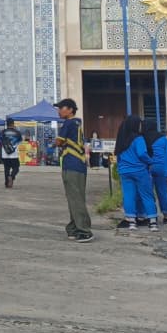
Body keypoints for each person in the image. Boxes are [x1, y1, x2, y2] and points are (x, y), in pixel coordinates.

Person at [56, 98, 93, 243]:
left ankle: (84, 230)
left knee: (75, 199)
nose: (59, 111)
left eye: (61, 108)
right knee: (76, 197)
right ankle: (74, 228)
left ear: (70, 110)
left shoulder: (69, 123)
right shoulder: (77, 123)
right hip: (79, 165)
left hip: (71, 165)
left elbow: (58, 141)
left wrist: (60, 142)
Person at [114, 116, 158, 232]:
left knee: (129, 196)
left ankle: (132, 222)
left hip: (125, 172)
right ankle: (152, 222)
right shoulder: (138, 139)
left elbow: (118, 157)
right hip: (139, 171)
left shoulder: (121, 140)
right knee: (147, 195)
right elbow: (142, 154)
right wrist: (150, 161)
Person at [143, 122, 167, 225]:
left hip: (148, 167)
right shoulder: (163, 139)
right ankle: (166, 216)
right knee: (163, 191)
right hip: (161, 167)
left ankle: (152, 216)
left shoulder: (143, 138)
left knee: (148, 193)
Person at [0, 119, 23, 189]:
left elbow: (0, 141)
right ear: (13, 124)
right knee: (16, 167)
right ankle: (12, 176)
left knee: (6, 169)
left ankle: (7, 183)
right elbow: (20, 141)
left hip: (5, 154)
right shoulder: (17, 132)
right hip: (14, 154)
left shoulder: (2, 132)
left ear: (7, 124)